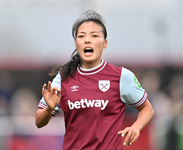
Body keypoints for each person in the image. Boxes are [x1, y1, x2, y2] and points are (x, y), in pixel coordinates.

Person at [35, 10, 154, 150]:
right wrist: (49, 108)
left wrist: (136, 127)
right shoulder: (63, 78)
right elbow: (38, 122)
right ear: (76, 44)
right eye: (81, 36)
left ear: (105, 43)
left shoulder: (121, 76)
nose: (87, 39)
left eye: (94, 35)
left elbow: (147, 109)